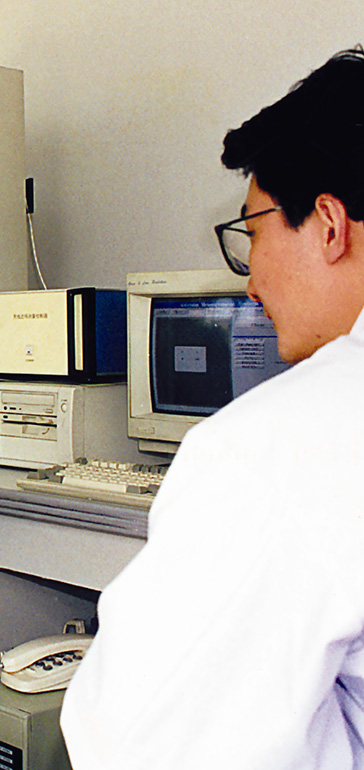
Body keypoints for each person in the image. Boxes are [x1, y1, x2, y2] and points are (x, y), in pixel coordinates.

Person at [60, 47, 364, 768]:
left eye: (252, 234)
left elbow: (144, 743)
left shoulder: (275, 445)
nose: (251, 281)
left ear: (329, 224)